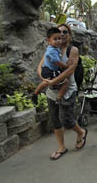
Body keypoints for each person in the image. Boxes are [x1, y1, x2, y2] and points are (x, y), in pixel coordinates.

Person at [36, 23, 87, 160]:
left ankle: (81, 132)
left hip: (67, 90)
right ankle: (61, 147)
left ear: (69, 35)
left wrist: (53, 81)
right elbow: (40, 66)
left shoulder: (72, 50)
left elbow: (70, 70)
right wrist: (44, 79)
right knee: (55, 119)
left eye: (65, 32)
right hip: (52, 91)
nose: (62, 35)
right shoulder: (51, 49)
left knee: (66, 119)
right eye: (59, 32)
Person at [34, 28, 69, 103]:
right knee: (62, 82)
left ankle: (36, 93)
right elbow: (57, 62)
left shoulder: (54, 48)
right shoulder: (52, 51)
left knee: (52, 82)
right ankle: (58, 98)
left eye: (59, 38)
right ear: (48, 40)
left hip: (51, 69)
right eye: (55, 39)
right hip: (49, 70)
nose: (58, 41)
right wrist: (65, 66)